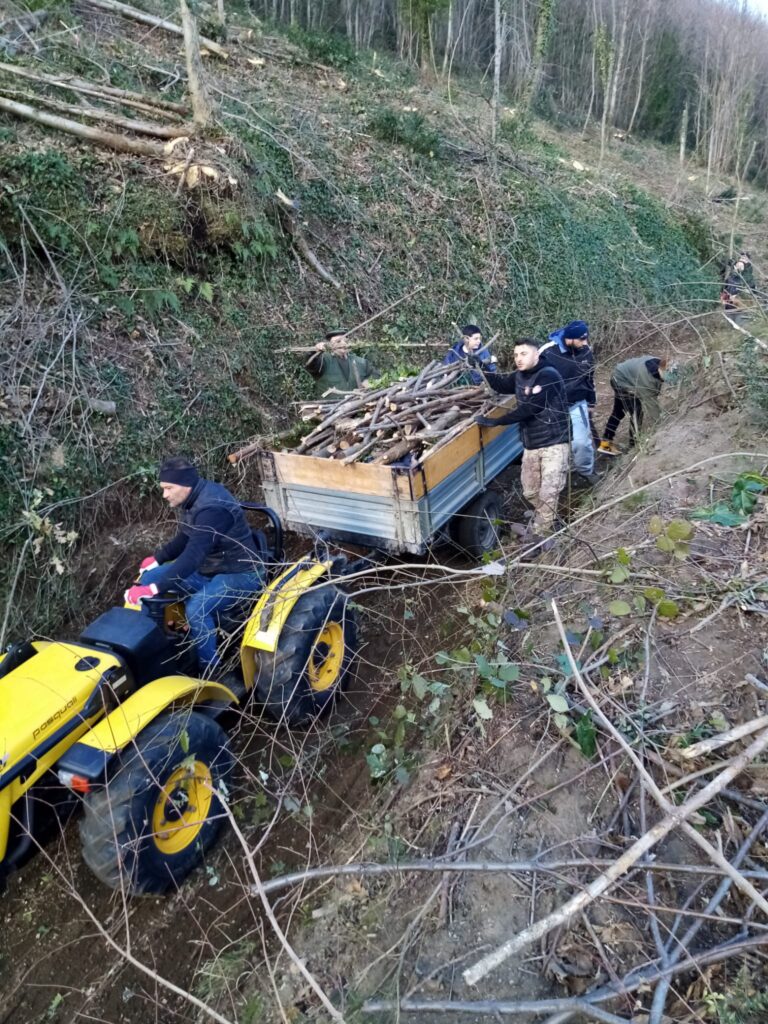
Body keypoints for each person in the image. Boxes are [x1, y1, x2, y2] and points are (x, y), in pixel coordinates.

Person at [124, 457, 264, 676]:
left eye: (169, 488)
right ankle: (151, 646)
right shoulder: (192, 499)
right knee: (149, 577)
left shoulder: (213, 509)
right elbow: (187, 535)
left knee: (196, 609)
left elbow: (193, 556)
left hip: (242, 572)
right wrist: (159, 558)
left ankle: (211, 669)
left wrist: (154, 590)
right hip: (211, 569)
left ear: (185, 485)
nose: (165, 495)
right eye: (163, 488)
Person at [478, 339, 570, 541]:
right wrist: (482, 366)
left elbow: (531, 408)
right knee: (530, 492)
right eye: (516, 355)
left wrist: (497, 421)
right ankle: (548, 519)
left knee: (548, 494)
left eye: (524, 354)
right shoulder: (519, 376)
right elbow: (500, 384)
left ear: (536, 355)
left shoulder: (549, 376)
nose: (519, 359)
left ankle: (540, 541)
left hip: (554, 443)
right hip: (531, 444)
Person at [541, 320, 597, 483]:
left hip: (577, 404)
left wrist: (591, 403)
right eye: (581, 339)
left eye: (586, 338)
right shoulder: (548, 353)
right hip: (553, 408)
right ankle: (556, 479)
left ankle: (586, 472)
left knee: (580, 443)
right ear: (569, 339)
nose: (585, 343)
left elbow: (590, 379)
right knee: (556, 447)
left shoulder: (586, 352)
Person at [598, 356, 668, 455]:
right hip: (620, 380)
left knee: (618, 412)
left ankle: (605, 443)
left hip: (624, 374)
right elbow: (652, 405)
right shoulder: (646, 379)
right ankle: (633, 445)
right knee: (636, 412)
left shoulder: (658, 364)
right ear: (660, 369)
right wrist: (662, 427)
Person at [306, 329, 373, 396]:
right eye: (338, 341)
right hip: (331, 405)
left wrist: (368, 384)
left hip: (355, 404)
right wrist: (314, 351)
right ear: (329, 345)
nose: (343, 344)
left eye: (346, 341)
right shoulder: (323, 360)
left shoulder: (361, 362)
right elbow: (311, 364)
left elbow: (373, 378)